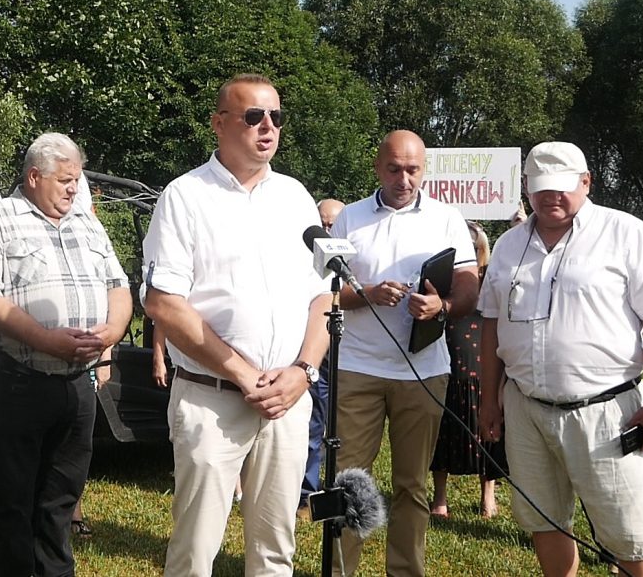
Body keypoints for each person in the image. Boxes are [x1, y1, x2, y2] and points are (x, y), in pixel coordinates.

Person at [142, 73, 332, 576]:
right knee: (195, 549)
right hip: (212, 398)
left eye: (276, 117)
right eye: (253, 116)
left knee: (275, 550)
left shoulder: (295, 197)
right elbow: (164, 303)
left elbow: (322, 298)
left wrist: (303, 371)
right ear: (219, 123)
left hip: (288, 399)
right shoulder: (185, 197)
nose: (268, 127)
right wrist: (245, 375)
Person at [478, 142, 643, 577]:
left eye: (562, 187)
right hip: (526, 407)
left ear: (586, 182)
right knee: (544, 520)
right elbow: (492, 326)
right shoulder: (508, 244)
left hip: (607, 412)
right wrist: (489, 401)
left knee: (631, 535)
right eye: (540, 188)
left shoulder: (625, 232)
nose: (551, 197)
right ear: (526, 188)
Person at [0, 132, 132, 576]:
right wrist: (46, 341)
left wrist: (113, 331)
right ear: (33, 176)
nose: (73, 189)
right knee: (14, 497)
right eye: (65, 180)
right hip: (19, 380)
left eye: (76, 180)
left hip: (78, 383)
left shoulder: (87, 221)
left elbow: (118, 285)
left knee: (61, 494)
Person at [328, 130, 479, 577]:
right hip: (357, 367)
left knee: (412, 486)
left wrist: (443, 306)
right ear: (377, 168)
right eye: (394, 169)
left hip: (424, 369)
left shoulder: (447, 218)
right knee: (349, 484)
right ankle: (340, 572)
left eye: (413, 169)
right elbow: (326, 293)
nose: (404, 179)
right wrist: (368, 293)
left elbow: (469, 285)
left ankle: (405, 571)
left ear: (424, 169)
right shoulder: (349, 219)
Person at [429, 221, 506, 520]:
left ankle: (488, 496)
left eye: (474, 248)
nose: (469, 254)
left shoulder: (490, 276)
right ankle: (440, 498)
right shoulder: (444, 280)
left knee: (486, 429)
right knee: (443, 430)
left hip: (481, 362)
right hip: (445, 361)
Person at [300, 198, 344, 511]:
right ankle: (306, 493)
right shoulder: (302, 255)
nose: (327, 230)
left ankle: (340, 488)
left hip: (350, 356)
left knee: (345, 430)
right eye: (323, 223)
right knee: (314, 425)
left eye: (333, 225)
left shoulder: (350, 261)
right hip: (315, 354)